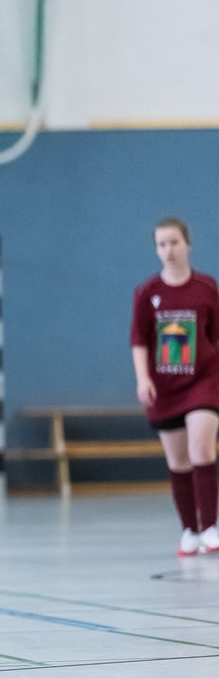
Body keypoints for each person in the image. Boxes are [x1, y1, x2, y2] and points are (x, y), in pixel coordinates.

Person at [131, 216, 219, 557]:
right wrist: (143, 378)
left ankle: (210, 526)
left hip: (204, 382)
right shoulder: (147, 293)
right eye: (162, 244)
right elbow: (139, 340)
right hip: (165, 386)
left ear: (187, 245)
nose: (168, 250)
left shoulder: (207, 288)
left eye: (174, 242)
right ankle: (189, 530)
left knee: (202, 449)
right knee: (179, 462)